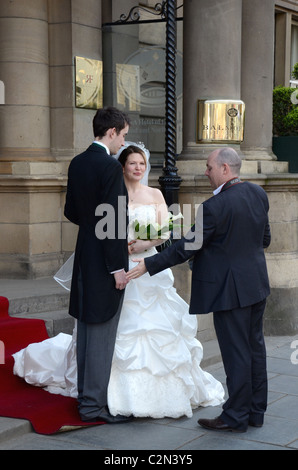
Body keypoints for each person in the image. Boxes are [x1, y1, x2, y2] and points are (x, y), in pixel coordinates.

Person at [13, 143, 225, 420]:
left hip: (146, 266)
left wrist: (143, 244)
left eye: (142, 164)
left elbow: (167, 232)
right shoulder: (114, 191)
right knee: (110, 330)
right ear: (122, 166)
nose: (138, 168)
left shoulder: (155, 193)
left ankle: (147, 395)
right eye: (132, 163)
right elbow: (101, 228)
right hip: (113, 267)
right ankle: (106, 393)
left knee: (153, 331)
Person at [127, 147, 271, 432]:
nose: (205, 172)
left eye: (209, 167)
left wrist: (149, 265)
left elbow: (187, 247)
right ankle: (255, 412)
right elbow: (264, 239)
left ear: (225, 169)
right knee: (255, 348)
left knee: (236, 353)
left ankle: (235, 416)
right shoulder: (258, 194)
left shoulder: (214, 207)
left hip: (230, 291)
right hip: (256, 284)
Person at [61, 106, 131, 424]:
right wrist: (118, 267)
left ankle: (85, 399)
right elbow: (114, 221)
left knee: (87, 329)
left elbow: (71, 212)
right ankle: (92, 406)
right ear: (112, 132)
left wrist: (90, 224)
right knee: (101, 331)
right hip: (105, 260)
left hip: (84, 253)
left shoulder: (77, 163)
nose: (123, 143)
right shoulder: (110, 167)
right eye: (123, 136)